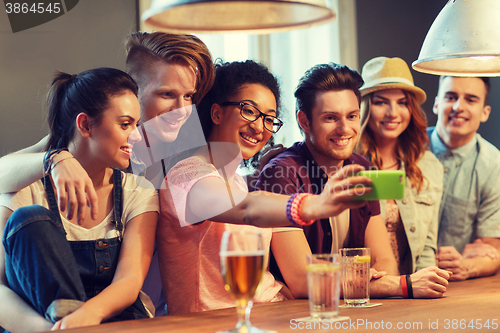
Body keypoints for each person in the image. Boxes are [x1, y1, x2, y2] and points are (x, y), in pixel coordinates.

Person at [0, 32, 216, 317]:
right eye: (167, 94)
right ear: (132, 91)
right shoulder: (93, 136)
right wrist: (56, 158)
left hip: (138, 309)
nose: (182, 109)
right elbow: (11, 169)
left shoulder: (183, 151)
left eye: (189, 96)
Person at [156, 60, 380, 314]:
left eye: (269, 118)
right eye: (249, 111)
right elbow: (247, 208)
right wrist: (317, 203)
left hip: (266, 315)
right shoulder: (186, 175)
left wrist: (280, 291)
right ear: (216, 113)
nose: (259, 126)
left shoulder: (236, 180)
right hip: (214, 324)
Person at [256, 62, 451, 299]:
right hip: (300, 317)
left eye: (352, 116)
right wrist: (400, 285)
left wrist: (368, 281)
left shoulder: (361, 168)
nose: (344, 129)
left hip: (354, 309)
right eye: (330, 118)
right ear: (304, 121)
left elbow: (385, 260)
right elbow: (301, 281)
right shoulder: (281, 173)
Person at [0, 68, 159, 332]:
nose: (137, 136)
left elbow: (129, 280)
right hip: (39, 326)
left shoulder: (137, 191)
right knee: (29, 219)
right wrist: (52, 330)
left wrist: (84, 320)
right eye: (125, 124)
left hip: (113, 322)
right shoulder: (26, 190)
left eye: (137, 125)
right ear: (85, 124)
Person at [357, 56, 445, 276]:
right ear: (365, 107)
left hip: (411, 289)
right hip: (362, 288)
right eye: (381, 102)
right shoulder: (349, 165)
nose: (392, 113)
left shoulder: (428, 166)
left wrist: (423, 287)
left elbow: (427, 248)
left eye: (402, 102)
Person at [428, 75, 500, 281]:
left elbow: (492, 249)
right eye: (450, 97)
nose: (458, 107)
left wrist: (464, 265)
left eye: (471, 99)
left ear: (485, 112)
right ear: (436, 104)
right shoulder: (406, 150)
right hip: (402, 277)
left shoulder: (495, 166)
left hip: (454, 287)